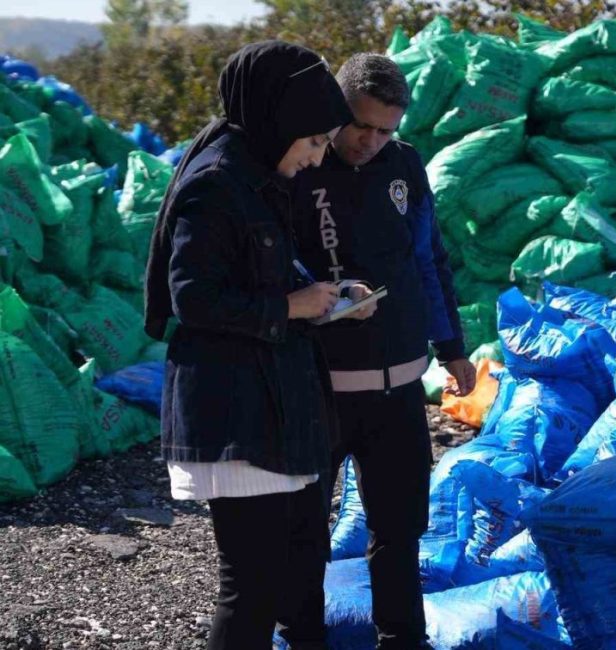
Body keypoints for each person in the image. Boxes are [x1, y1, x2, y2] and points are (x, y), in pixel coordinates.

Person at [144, 41, 372, 650]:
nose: (320, 155)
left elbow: (256, 272)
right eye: (316, 141)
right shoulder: (215, 185)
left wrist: (318, 296)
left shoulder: (254, 172)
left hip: (274, 402)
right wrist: (289, 307)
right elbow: (192, 298)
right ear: (283, 121)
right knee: (252, 585)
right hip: (237, 412)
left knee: (301, 567)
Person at [292, 53, 476, 649]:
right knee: (303, 532)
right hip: (319, 385)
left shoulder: (404, 166)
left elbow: (428, 259)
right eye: (361, 125)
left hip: (397, 387)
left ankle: (401, 638)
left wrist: (452, 347)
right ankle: (301, 637)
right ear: (335, 113)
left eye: (385, 129)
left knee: (398, 528)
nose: (371, 140)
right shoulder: (299, 168)